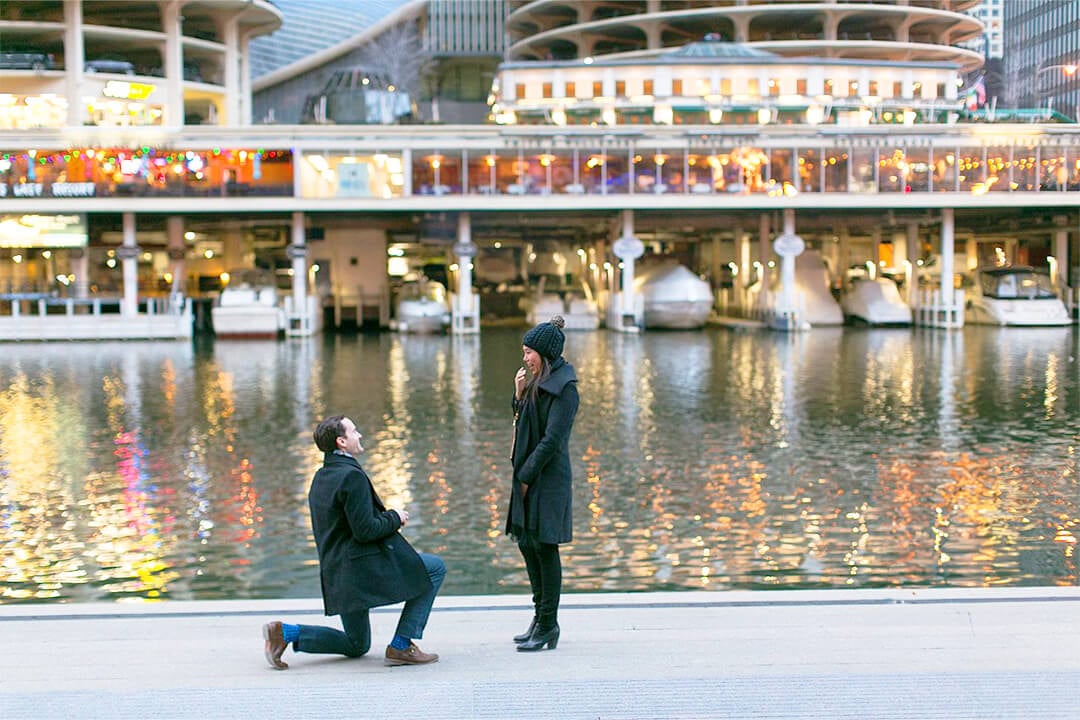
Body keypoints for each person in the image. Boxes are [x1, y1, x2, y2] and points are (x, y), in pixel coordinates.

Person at [262, 415, 445, 669]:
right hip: (360, 569)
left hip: (339, 572)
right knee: (434, 567)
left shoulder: (321, 476)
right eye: (354, 431)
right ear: (342, 442)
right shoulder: (351, 476)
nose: (359, 435)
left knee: (357, 644)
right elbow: (365, 530)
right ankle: (402, 645)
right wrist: (395, 516)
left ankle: (286, 633)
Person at [506, 315, 579, 652]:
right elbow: (523, 425)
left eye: (528, 352)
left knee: (545, 547)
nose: (524, 358)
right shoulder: (537, 381)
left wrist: (525, 477)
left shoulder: (565, 389)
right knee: (527, 543)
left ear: (544, 352)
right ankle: (539, 618)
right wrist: (518, 394)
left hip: (545, 479)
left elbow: (551, 441)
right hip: (529, 476)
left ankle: (548, 624)